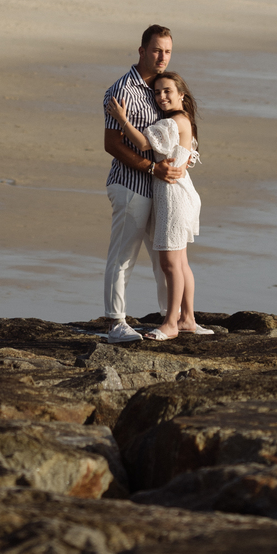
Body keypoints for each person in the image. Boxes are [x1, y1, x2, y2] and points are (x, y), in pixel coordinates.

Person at [106, 70, 210, 339]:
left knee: (170, 264)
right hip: (178, 192)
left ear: (181, 95)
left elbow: (141, 142)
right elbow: (188, 154)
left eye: (167, 92)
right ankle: (187, 318)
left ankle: (171, 324)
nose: (161, 96)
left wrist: (122, 120)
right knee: (181, 262)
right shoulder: (182, 120)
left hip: (173, 197)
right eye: (157, 92)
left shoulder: (173, 122)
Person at [101, 24, 184, 344]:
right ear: (141, 51)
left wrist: (186, 160)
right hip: (131, 185)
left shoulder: (163, 87)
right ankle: (115, 322)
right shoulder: (122, 91)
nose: (162, 57)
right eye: (156, 50)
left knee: (165, 256)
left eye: (167, 51)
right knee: (123, 255)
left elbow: (181, 129)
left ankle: (172, 320)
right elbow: (112, 144)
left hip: (162, 191)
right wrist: (151, 167)